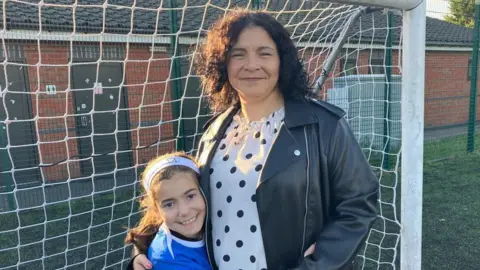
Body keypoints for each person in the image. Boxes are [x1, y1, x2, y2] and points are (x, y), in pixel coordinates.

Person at [128, 8, 379, 270]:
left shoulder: (325, 126)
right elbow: (181, 201)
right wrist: (144, 251)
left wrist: (318, 265)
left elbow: (359, 204)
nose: (251, 65)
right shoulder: (215, 131)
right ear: (223, 64)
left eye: (264, 53)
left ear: (282, 60)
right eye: (238, 54)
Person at [125, 152, 211, 270]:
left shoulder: (212, 220)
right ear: (156, 210)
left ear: (203, 191)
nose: (184, 211)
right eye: (169, 204)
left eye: (190, 196)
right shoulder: (169, 258)